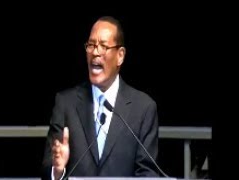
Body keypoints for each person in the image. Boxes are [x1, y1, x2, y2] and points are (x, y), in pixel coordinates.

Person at [41, 16, 159, 180]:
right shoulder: (66, 104)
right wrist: (58, 171)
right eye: (91, 45)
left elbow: (148, 174)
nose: (95, 52)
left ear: (120, 56)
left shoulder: (143, 108)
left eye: (103, 46)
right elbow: (48, 169)